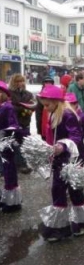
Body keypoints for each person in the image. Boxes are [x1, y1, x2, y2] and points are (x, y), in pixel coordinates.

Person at [37, 85, 84, 242]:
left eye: (47, 104)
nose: (45, 108)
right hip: (59, 158)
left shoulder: (67, 114)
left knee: (70, 190)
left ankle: (76, 224)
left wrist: (62, 146)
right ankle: (65, 226)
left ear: (56, 101)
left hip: (71, 159)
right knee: (62, 190)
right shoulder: (53, 113)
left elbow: (76, 136)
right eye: (43, 104)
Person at [0, 81, 21, 213]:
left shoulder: (7, 107)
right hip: (2, 144)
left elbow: (14, 126)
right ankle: (5, 198)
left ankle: (13, 202)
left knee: (9, 172)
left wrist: (4, 133)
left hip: (6, 144)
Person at [9, 73, 34, 174]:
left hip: (25, 122)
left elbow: (33, 105)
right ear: (14, 82)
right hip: (13, 123)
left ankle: (21, 163)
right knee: (14, 144)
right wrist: (23, 108)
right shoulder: (9, 93)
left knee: (24, 145)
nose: (20, 83)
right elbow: (9, 107)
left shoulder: (28, 93)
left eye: (22, 81)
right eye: (18, 81)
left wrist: (29, 109)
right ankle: (20, 165)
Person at [64, 92, 84, 163]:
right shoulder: (63, 116)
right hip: (67, 147)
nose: (67, 107)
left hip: (80, 147)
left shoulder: (83, 117)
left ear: (76, 104)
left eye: (70, 104)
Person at [36, 76, 55, 140]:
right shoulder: (39, 96)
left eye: (50, 82)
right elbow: (38, 114)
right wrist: (39, 129)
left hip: (54, 124)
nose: (48, 84)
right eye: (46, 82)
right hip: (44, 124)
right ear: (43, 84)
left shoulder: (56, 96)